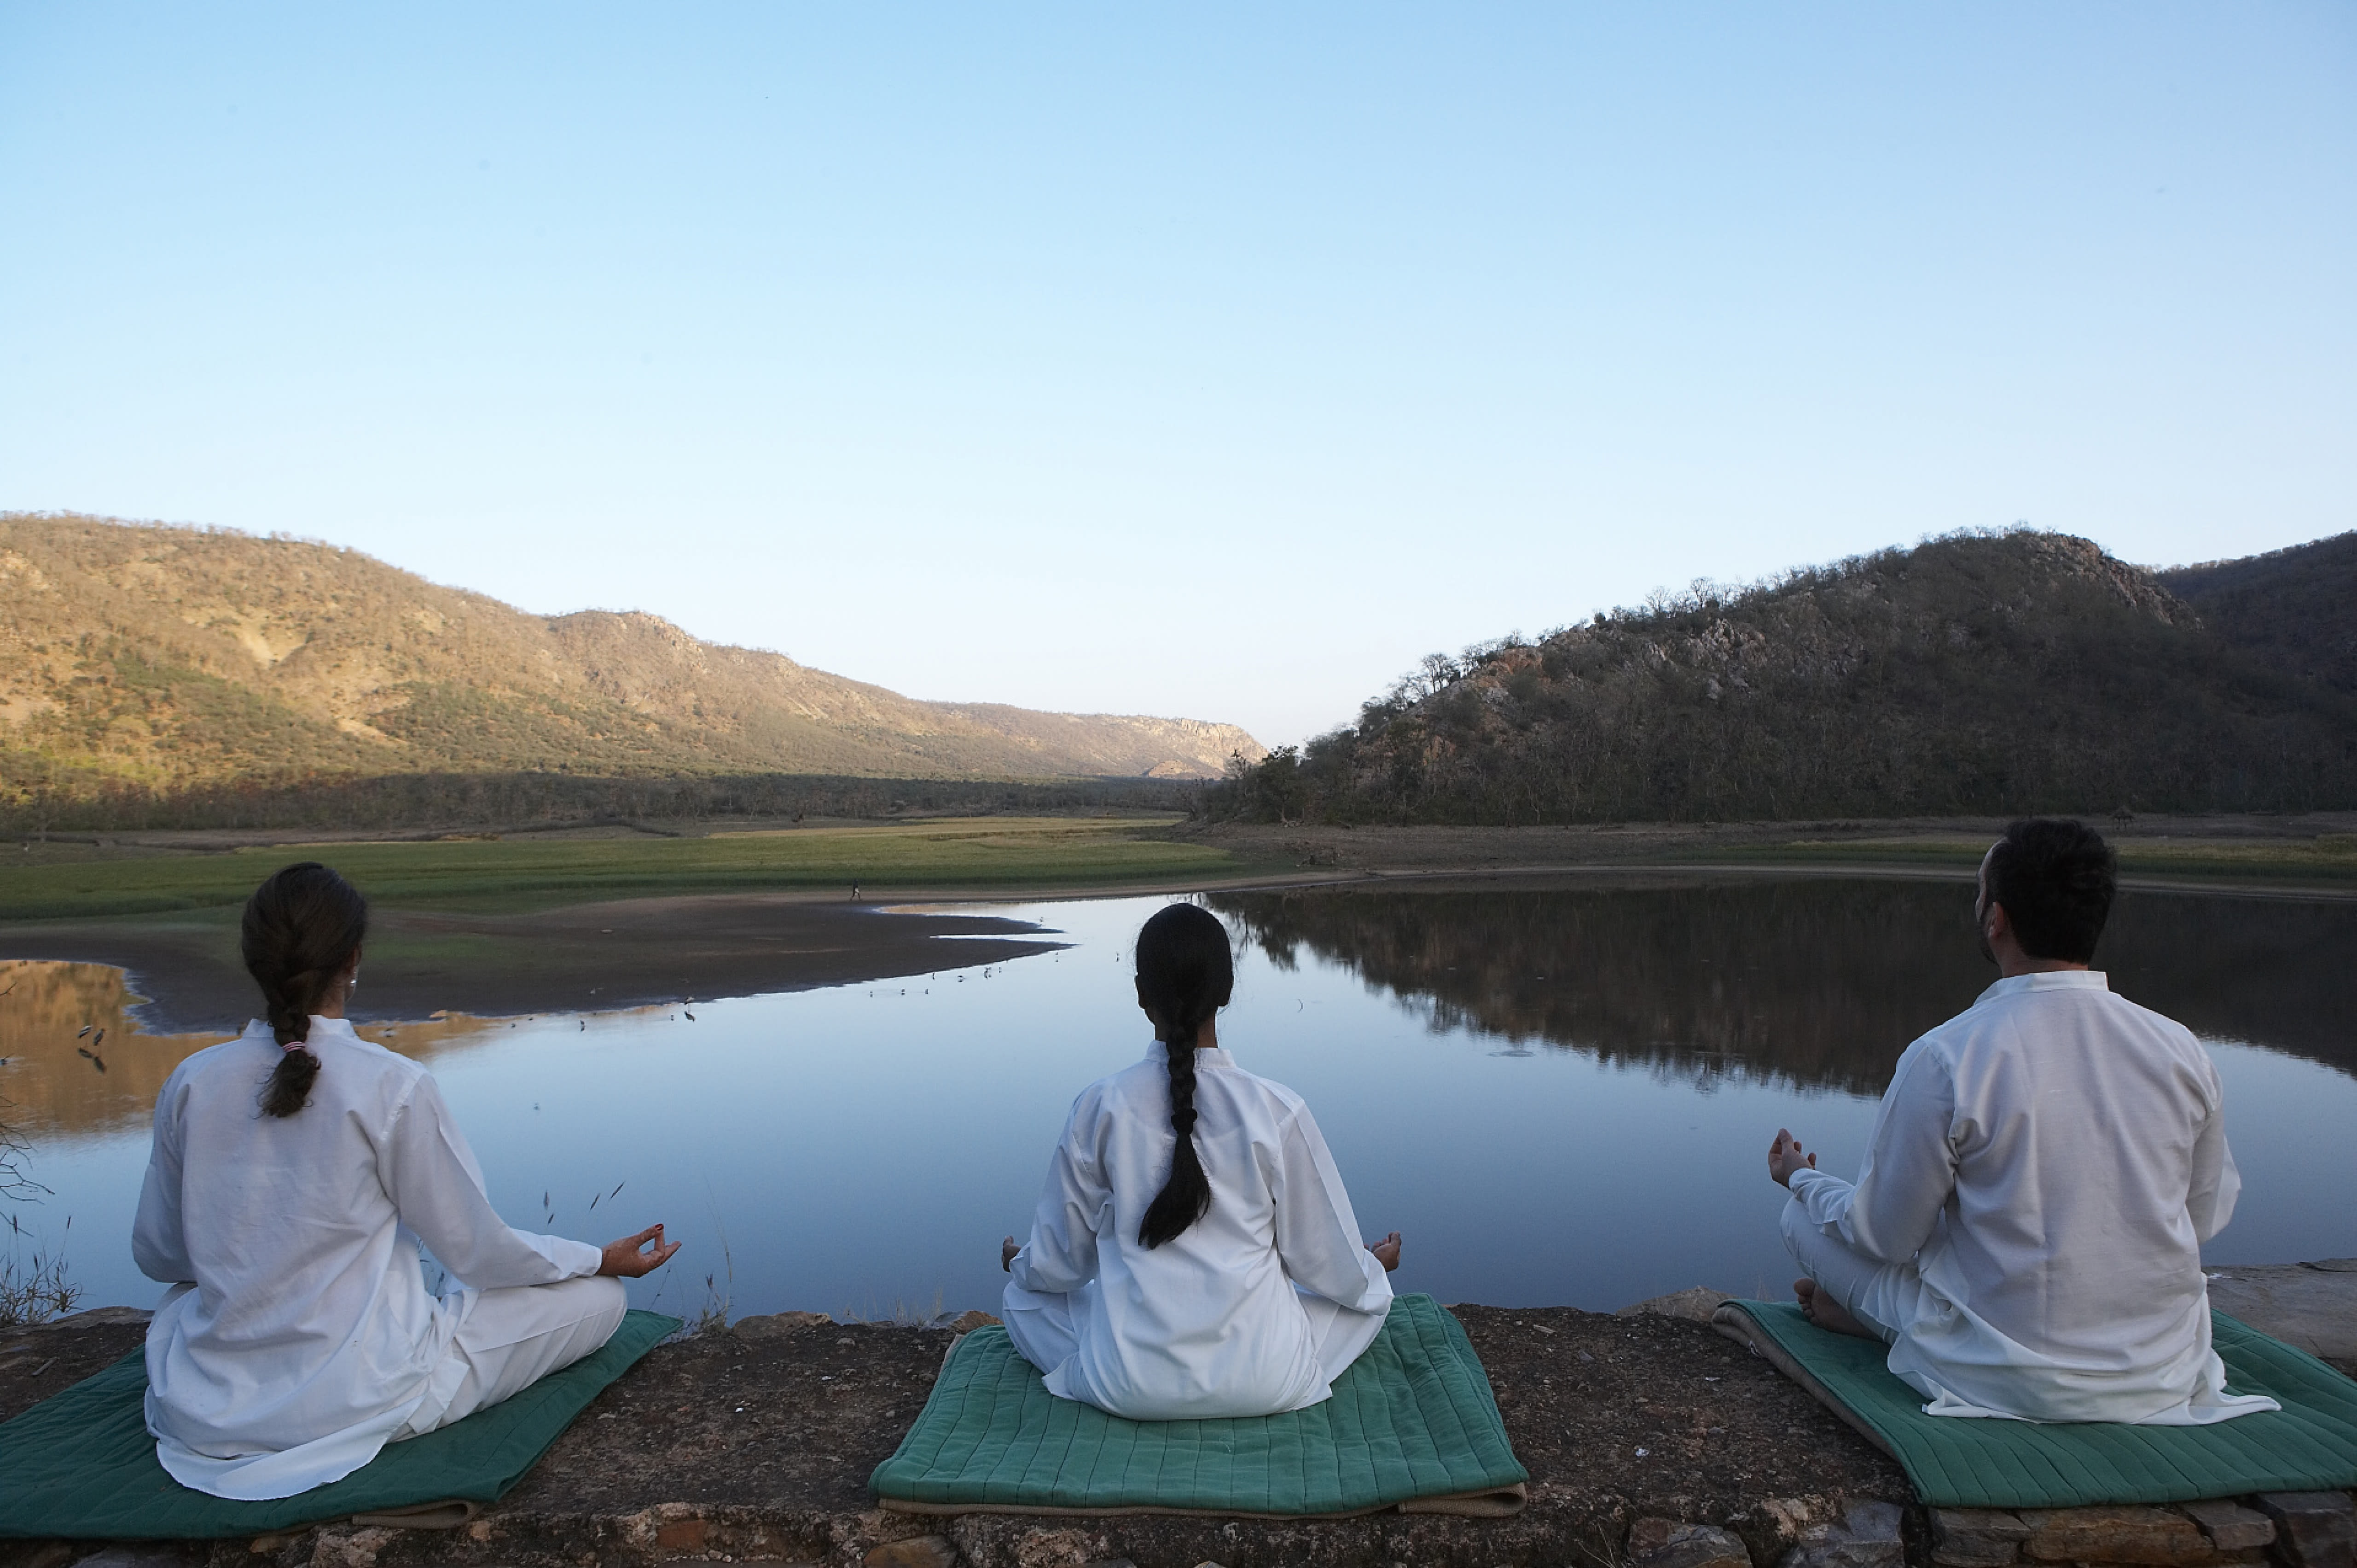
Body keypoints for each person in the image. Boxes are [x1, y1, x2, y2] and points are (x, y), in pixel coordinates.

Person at [133, 862, 682, 1500]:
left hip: (205, 1408)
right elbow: (478, 1252)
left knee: (182, 1301)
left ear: (256, 960)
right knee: (603, 1302)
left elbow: (161, 1256)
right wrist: (595, 1258)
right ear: (353, 959)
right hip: (362, 1394)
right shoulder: (392, 1085)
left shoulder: (194, 1080)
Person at [1768, 819, 2275, 1425]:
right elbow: (2203, 1218)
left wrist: (1800, 1177)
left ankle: (1888, 1324)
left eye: (1980, 892)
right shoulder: (2179, 1048)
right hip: (2161, 1368)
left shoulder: (1947, 1056)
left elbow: (1883, 1237)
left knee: (1802, 1216)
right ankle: (1886, 1319)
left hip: (2001, 1372)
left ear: (1996, 919)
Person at [998, 902, 1400, 1420]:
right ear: (1226, 992)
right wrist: (1374, 1267)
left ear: (1142, 995)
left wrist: (1019, 1260)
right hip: (1266, 1379)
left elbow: (1060, 1266)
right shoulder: (1276, 1109)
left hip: (1126, 1384)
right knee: (1368, 1300)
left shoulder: (1098, 1107)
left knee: (1020, 1299)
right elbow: (1324, 1261)